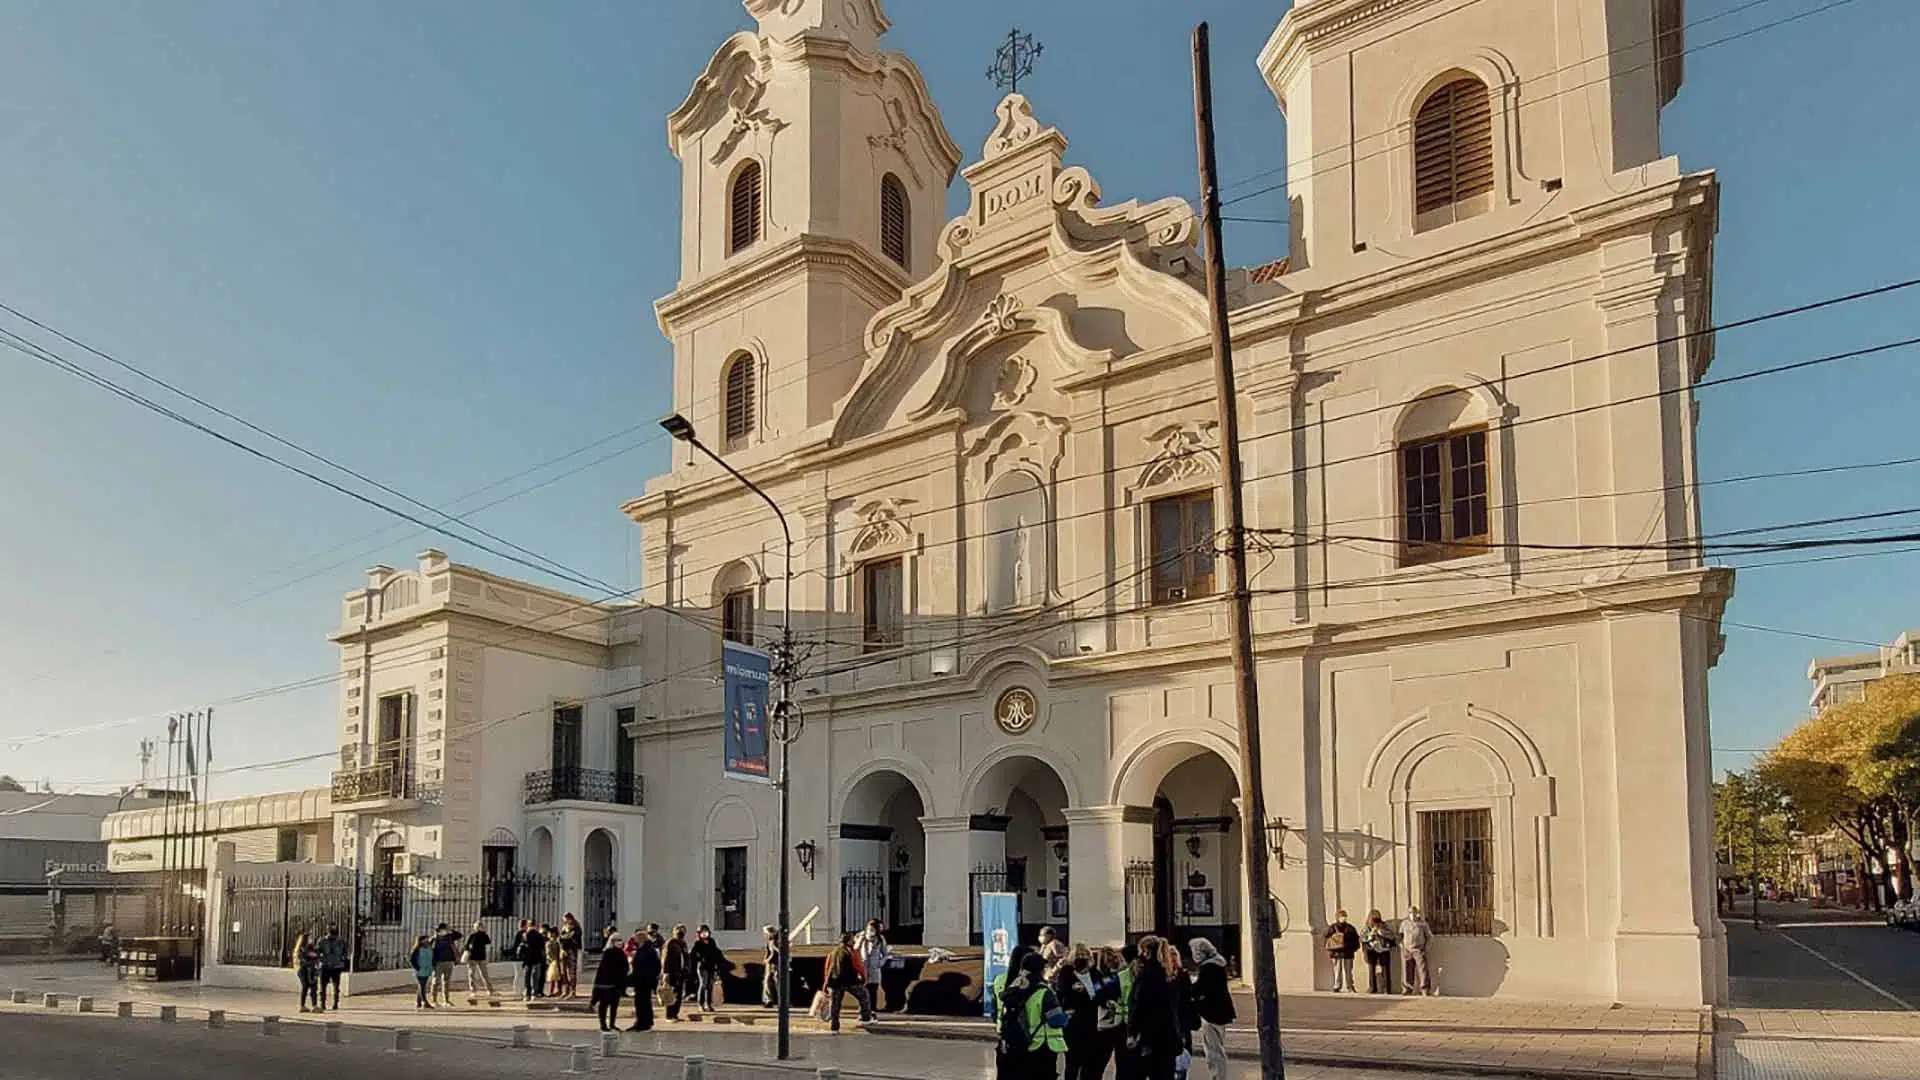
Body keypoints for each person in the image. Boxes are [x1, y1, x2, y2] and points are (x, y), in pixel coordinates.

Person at [996, 951, 1067, 1080]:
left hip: (1018, 1045)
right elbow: (1056, 1021)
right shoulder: (1044, 992)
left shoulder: (1014, 988)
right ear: (1042, 969)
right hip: (1042, 1046)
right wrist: (1067, 1015)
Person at [1122, 935, 1182, 1080]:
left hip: (1149, 1037)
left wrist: (1132, 1032)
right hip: (1168, 1036)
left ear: (1146, 952)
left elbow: (1138, 1005)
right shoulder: (1168, 974)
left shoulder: (1146, 976)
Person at [1055, 944, 1106, 1080]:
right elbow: (1062, 994)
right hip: (1073, 1023)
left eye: (1084, 956)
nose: (1081, 959)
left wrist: (1091, 994)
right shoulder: (1066, 973)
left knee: (1090, 1062)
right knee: (1072, 1062)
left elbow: (1101, 993)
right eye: (1078, 956)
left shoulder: (1095, 974)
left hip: (1092, 1022)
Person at [1188, 939, 1235, 1080]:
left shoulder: (1208, 968)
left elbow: (1200, 988)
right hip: (1221, 1011)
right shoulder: (1218, 964)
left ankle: (1217, 1077)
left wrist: (1187, 990)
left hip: (1211, 1013)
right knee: (1218, 1047)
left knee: (1213, 1050)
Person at [822, 931, 872, 1034]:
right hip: (850, 981)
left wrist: (826, 983)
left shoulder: (833, 952)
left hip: (835, 982)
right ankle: (865, 1018)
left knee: (835, 1005)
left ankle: (834, 1028)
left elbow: (828, 968)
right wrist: (863, 978)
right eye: (852, 939)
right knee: (864, 995)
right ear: (849, 941)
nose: (854, 940)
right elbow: (858, 966)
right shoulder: (851, 951)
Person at [1161, 940, 1196, 1080]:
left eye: (1175, 956)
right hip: (1174, 1021)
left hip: (1181, 1020)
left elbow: (1187, 998)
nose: (1174, 960)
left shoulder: (1181, 975)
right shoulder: (1168, 976)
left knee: (1182, 1055)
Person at [591, 936, 629, 1032]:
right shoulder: (608, 953)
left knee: (614, 1006)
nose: (620, 942)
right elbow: (603, 969)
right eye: (617, 940)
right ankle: (603, 1024)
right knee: (604, 1005)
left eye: (620, 940)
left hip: (616, 984)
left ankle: (612, 1024)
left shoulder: (621, 953)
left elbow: (625, 967)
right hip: (606, 985)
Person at [627, 928, 661, 1032]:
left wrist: (651, 977)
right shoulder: (642, 949)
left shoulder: (648, 950)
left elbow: (655, 966)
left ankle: (642, 1023)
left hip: (644, 980)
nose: (635, 939)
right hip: (640, 980)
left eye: (636, 937)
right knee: (642, 1002)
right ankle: (644, 1022)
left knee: (642, 1002)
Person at [854, 918, 889, 1015]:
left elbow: (885, 953)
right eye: (869, 929)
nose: (870, 932)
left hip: (874, 969)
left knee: (873, 990)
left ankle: (872, 1011)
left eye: (873, 929)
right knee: (862, 991)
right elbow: (855, 949)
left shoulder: (880, 939)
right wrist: (860, 939)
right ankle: (862, 1011)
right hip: (863, 969)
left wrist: (880, 962)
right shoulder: (861, 937)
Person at [690, 924, 726, 1011]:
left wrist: (719, 963)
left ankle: (708, 1004)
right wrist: (701, 959)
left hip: (711, 966)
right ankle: (700, 1004)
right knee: (703, 984)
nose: (705, 934)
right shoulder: (698, 943)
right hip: (702, 967)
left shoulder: (712, 941)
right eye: (702, 932)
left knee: (710, 986)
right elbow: (693, 955)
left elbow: (716, 952)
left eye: (706, 932)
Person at [1398, 907, 1433, 996]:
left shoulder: (1423, 924)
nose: (1412, 915)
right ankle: (1407, 988)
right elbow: (1400, 937)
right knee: (1407, 970)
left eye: (1414, 913)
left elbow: (1429, 937)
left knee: (1422, 970)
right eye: (1410, 913)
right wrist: (1402, 947)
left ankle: (1425, 988)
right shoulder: (1404, 924)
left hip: (1419, 949)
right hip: (1407, 950)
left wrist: (1425, 948)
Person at [1360, 910, 1396, 995]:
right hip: (1371, 950)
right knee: (1371, 969)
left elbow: (1392, 936)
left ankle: (1387, 989)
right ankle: (1373, 987)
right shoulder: (1367, 927)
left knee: (1385, 969)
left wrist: (1382, 932)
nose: (1375, 921)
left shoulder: (1384, 925)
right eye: (1373, 918)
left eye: (1377, 918)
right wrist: (1370, 935)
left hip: (1383, 949)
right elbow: (1362, 938)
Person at [1324, 910, 1360, 993]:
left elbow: (1356, 939)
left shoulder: (1350, 928)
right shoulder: (1333, 927)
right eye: (1341, 916)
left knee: (1348, 971)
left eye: (1344, 916)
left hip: (1348, 952)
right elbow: (1326, 936)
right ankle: (1337, 986)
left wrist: (1353, 948)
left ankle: (1349, 986)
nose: (1343, 918)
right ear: (1337, 917)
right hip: (1337, 952)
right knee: (1337, 970)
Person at [317, 924, 348, 1011]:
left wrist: (342, 959)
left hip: (336, 966)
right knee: (323, 986)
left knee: (335, 986)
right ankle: (323, 1003)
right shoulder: (322, 940)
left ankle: (335, 1004)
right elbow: (318, 952)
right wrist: (322, 959)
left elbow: (345, 952)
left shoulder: (341, 941)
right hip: (325, 966)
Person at [661, 924, 690, 1020]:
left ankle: (675, 1014)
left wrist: (687, 969)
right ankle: (669, 1015)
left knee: (679, 994)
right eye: (678, 931)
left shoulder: (683, 943)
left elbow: (686, 958)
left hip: (681, 973)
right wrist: (665, 973)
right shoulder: (670, 943)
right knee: (670, 994)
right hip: (671, 972)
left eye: (682, 931)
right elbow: (665, 959)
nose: (680, 933)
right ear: (674, 932)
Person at [464, 919, 496, 1002]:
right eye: (478, 926)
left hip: (482, 957)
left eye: (480, 926)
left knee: (484, 974)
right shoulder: (472, 935)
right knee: (471, 974)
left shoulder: (484, 935)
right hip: (472, 957)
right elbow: (466, 945)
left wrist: (483, 933)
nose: (479, 928)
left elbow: (488, 942)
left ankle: (489, 990)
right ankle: (473, 990)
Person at [430, 921, 461, 1006]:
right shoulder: (434, 939)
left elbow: (459, 935)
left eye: (445, 929)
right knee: (436, 981)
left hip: (449, 961)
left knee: (446, 982)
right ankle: (434, 1000)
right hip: (438, 963)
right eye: (443, 929)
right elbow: (429, 949)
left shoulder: (449, 937)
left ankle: (446, 1000)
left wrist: (451, 929)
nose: (444, 931)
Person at [292, 931, 320, 1014]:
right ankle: (302, 1006)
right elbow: (301, 961)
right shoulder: (300, 950)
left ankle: (314, 1006)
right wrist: (312, 960)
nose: (311, 940)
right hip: (302, 970)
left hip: (312, 970)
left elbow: (316, 956)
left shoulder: (311, 948)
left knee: (314, 986)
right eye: (309, 938)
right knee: (305, 986)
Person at [517, 921, 546, 1000]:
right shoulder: (539, 935)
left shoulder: (525, 935)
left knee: (527, 976)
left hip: (527, 958)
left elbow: (522, 946)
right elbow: (542, 948)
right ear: (535, 925)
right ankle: (534, 993)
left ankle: (527, 993)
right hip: (537, 958)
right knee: (535, 976)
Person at [559, 914, 583, 997]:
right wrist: (564, 937)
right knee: (563, 971)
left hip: (572, 950)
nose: (565, 921)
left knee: (572, 971)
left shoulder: (576, 927)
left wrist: (565, 937)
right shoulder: (564, 927)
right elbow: (560, 938)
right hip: (564, 951)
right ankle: (566, 989)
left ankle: (573, 991)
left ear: (570, 918)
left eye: (566, 919)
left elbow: (571, 937)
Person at [410, 933, 436, 1009]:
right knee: (422, 986)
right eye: (425, 939)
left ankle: (418, 1002)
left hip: (427, 969)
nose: (427, 940)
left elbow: (432, 941)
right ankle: (425, 1002)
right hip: (420, 970)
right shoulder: (417, 949)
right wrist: (417, 968)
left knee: (421, 986)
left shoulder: (429, 948)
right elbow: (412, 960)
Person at [761, 925, 782, 1007]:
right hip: (771, 963)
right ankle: (768, 999)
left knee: (775, 981)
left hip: (775, 963)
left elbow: (774, 953)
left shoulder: (774, 940)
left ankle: (776, 1000)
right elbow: (768, 951)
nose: (765, 935)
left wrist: (767, 960)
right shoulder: (769, 940)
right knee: (768, 980)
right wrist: (766, 959)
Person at [545, 924, 564, 997]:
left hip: (554, 961)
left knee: (554, 977)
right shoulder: (556, 942)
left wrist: (552, 959)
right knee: (556, 977)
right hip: (556, 961)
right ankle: (558, 990)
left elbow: (549, 953)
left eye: (550, 933)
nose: (548, 934)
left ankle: (553, 991)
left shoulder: (551, 943)